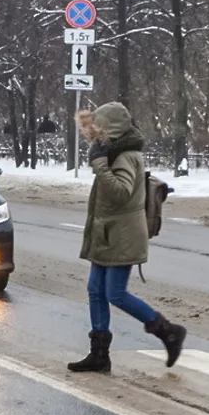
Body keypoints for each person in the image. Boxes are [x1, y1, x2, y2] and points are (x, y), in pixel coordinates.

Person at [68, 102, 187, 373]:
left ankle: (168, 331)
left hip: (122, 235)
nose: (95, 137)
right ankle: (99, 354)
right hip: (107, 233)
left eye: (98, 131)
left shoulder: (126, 156)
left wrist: (100, 165)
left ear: (112, 129)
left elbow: (121, 193)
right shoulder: (113, 152)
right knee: (95, 290)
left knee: (115, 293)